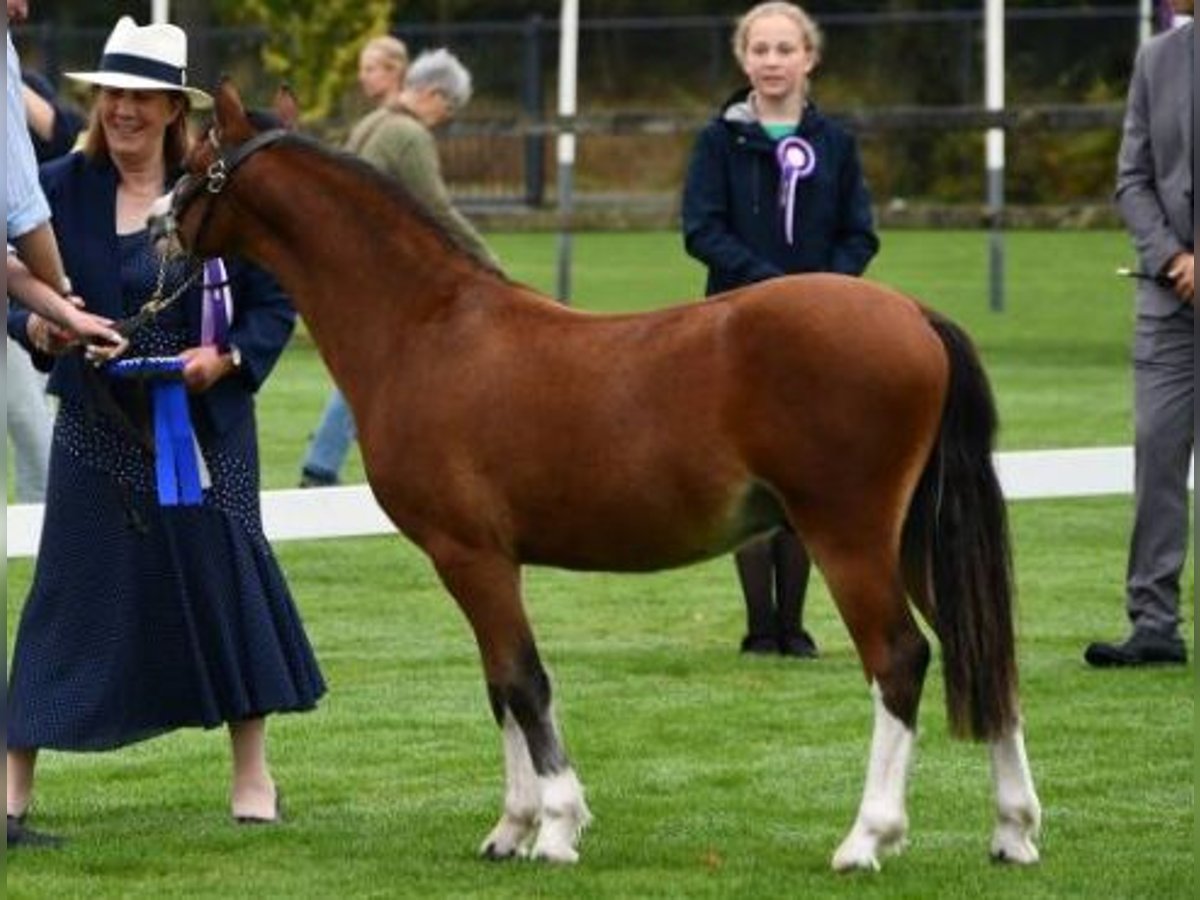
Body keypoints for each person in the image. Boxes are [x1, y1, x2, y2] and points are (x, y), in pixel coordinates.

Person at [6, 16, 327, 847]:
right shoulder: (54, 190)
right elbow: (18, 294)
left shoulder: (213, 186)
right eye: (112, 94)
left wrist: (224, 361)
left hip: (206, 432)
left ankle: (252, 776)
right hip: (96, 427)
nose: (123, 110)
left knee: (227, 582)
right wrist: (39, 331)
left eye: (141, 97)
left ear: (172, 108)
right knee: (66, 599)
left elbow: (276, 300)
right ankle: (11, 795)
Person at [680, 2, 878, 659]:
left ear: (808, 58)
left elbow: (860, 233)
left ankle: (793, 626)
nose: (771, 61)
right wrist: (770, 290)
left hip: (820, 338)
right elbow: (702, 229)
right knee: (746, 474)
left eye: (783, 49)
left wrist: (821, 295)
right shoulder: (717, 142)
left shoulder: (836, 146)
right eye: (759, 49)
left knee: (807, 474)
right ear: (744, 59)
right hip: (737, 332)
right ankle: (759, 626)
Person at [299, 45, 497, 487]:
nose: (448, 116)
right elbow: (437, 211)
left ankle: (326, 461)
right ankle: (322, 464)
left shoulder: (374, 122)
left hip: (344, 266)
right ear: (431, 93)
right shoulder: (409, 135)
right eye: (450, 105)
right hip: (374, 274)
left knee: (372, 368)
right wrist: (487, 262)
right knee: (381, 370)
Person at [1084, 1, 1193, 668]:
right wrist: (1175, 260)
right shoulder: (1158, 60)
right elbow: (1133, 178)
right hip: (1168, 298)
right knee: (1157, 455)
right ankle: (1154, 622)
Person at [7, 42, 86, 505]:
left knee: (32, 426)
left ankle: (42, 538)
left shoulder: (21, 83)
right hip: (28, 282)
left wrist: (9, 83)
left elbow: (65, 132)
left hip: (25, 283)